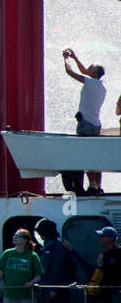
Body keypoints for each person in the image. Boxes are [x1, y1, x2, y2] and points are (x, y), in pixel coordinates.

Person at [62, 48, 106, 195]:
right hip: (96, 125)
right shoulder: (101, 87)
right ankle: (97, 185)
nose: (87, 69)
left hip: (86, 124)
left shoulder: (89, 82)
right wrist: (75, 57)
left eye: (90, 68)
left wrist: (66, 59)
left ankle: (92, 185)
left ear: (93, 73)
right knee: (94, 156)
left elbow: (71, 72)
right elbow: (84, 72)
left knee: (85, 156)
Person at [34, 219, 79, 303]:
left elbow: (58, 269)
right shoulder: (47, 247)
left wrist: (55, 289)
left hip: (53, 291)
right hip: (45, 289)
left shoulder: (58, 247)